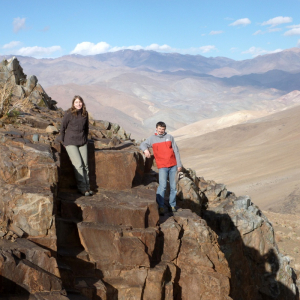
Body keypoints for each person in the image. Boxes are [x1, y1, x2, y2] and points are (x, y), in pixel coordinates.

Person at [140, 121, 182, 215]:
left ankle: (172, 205)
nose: (161, 131)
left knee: (173, 187)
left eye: (163, 129)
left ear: (165, 129)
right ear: (156, 128)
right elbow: (142, 144)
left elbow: (176, 150)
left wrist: (179, 164)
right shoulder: (152, 138)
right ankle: (161, 206)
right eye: (160, 129)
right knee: (162, 187)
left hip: (173, 166)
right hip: (162, 166)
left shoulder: (170, 137)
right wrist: (146, 150)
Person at [60, 95, 93, 196]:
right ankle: (82, 188)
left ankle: (87, 187)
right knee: (78, 165)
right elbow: (62, 127)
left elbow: (86, 128)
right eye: (76, 102)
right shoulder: (69, 113)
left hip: (82, 141)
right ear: (73, 104)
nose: (78, 104)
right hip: (70, 142)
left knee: (85, 165)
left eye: (80, 102)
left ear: (82, 103)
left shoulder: (85, 114)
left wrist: (86, 139)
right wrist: (63, 141)